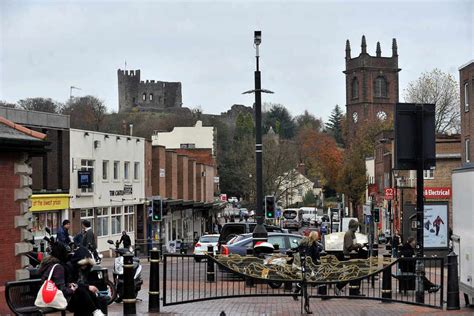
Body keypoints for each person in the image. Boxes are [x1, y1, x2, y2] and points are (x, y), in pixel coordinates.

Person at [38, 241, 104, 316]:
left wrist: (73, 286)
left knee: (85, 294)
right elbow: (62, 288)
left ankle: (96, 311)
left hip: (57, 295)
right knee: (83, 295)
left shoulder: (53, 265)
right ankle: (96, 311)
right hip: (57, 298)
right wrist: (72, 289)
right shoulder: (59, 267)